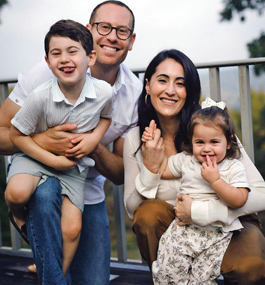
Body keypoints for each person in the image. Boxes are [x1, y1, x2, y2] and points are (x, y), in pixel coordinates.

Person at [0, 1, 142, 284]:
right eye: (104, 27)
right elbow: (3, 133)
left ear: (131, 40)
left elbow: (118, 173)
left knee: (94, 280)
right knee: (43, 196)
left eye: (122, 31)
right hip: (38, 174)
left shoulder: (133, 93)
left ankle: (47, 258)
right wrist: (42, 141)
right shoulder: (48, 73)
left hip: (84, 184)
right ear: (89, 30)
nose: (112, 37)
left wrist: (92, 143)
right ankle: (49, 265)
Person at [123, 49, 265, 284]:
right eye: (162, 80)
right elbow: (132, 209)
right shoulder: (136, 138)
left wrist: (202, 212)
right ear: (147, 86)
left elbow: (261, 194)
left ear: (189, 91)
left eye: (180, 83)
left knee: (252, 267)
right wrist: (150, 168)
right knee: (147, 215)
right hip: (179, 231)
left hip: (229, 223)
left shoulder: (211, 129)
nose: (170, 90)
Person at [4, 19, 114, 276]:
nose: (64, 59)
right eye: (56, 53)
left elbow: (107, 117)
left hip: (73, 168)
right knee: (16, 194)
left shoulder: (103, 92)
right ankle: (21, 219)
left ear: (91, 57)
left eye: (72, 51)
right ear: (47, 61)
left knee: (72, 229)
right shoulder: (40, 96)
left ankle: (58, 276)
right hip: (35, 158)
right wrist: (52, 161)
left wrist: (93, 139)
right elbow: (16, 135)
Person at [142, 99, 249, 284]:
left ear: (229, 142)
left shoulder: (233, 168)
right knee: (169, 272)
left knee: (201, 279)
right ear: (191, 142)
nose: (207, 148)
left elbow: (239, 199)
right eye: (200, 142)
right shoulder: (187, 160)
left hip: (216, 234)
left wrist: (216, 181)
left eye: (214, 142)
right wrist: (153, 149)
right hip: (183, 230)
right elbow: (165, 170)